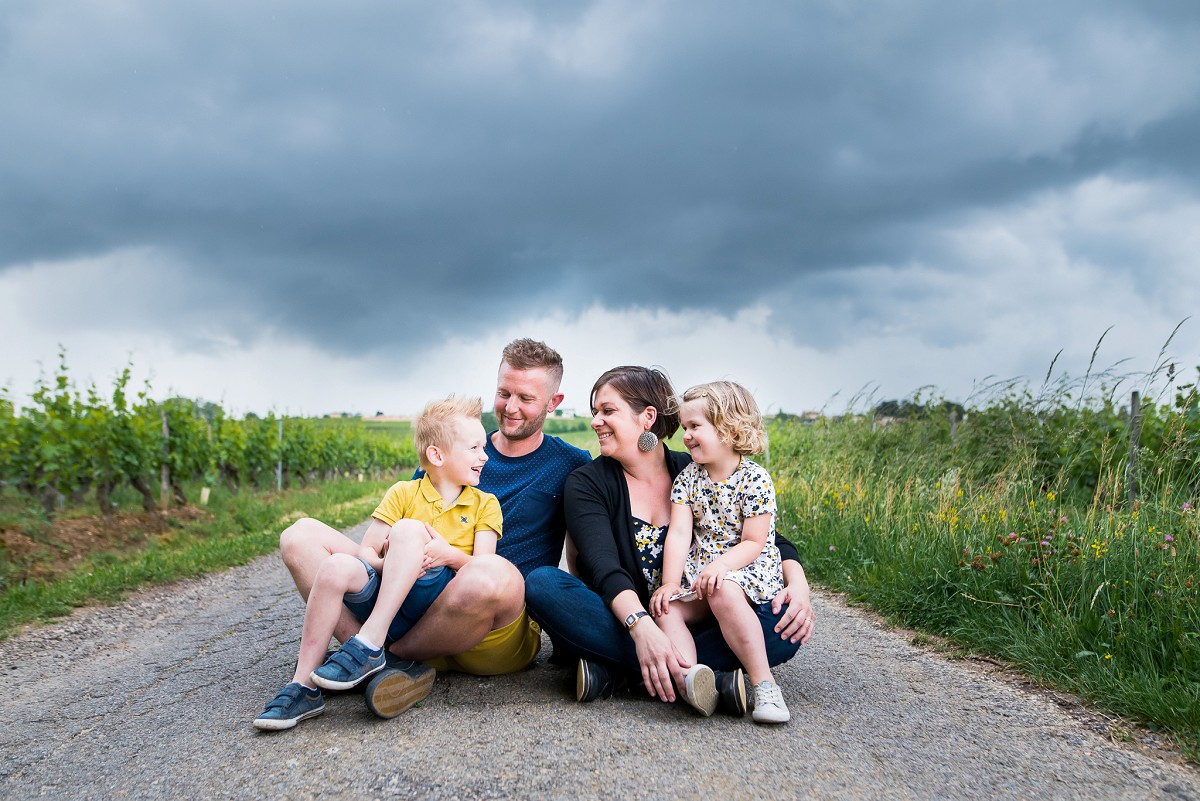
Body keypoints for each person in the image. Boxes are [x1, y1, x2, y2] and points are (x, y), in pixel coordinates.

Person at [277, 338, 591, 719]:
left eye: (525, 398)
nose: (510, 407)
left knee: (490, 574)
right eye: (503, 393)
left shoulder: (570, 463)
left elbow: (578, 553)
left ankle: (391, 659)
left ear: (553, 403)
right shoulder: (451, 449)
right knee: (299, 537)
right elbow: (398, 530)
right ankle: (370, 655)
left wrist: (575, 635)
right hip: (417, 601)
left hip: (488, 623)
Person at [525, 366, 815, 718]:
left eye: (607, 411)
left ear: (647, 417)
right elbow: (604, 569)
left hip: (702, 614)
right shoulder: (587, 483)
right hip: (624, 620)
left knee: (784, 622)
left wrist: (798, 586)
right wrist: (642, 627)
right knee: (542, 584)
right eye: (595, 412)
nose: (595, 421)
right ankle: (700, 679)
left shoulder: (694, 469)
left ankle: (621, 674)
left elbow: (768, 538)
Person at [254, 396, 501, 731]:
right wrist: (396, 563)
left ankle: (370, 645)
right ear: (437, 455)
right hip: (389, 590)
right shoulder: (403, 493)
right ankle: (303, 687)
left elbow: (486, 569)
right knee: (328, 558)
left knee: (408, 529)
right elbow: (367, 552)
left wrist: (448, 555)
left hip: (436, 600)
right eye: (474, 448)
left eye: (483, 447)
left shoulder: (485, 504)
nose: (484, 455)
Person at [649, 381, 790, 723]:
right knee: (666, 609)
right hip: (702, 573)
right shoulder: (687, 479)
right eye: (685, 428)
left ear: (729, 428)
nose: (686, 435)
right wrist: (669, 583)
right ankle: (691, 679)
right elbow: (680, 533)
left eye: (695, 426)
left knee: (724, 590)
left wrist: (721, 568)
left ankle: (765, 686)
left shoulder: (755, 479)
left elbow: (755, 542)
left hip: (744, 568)